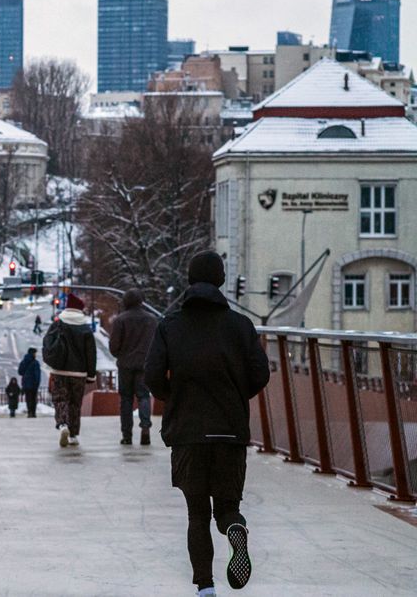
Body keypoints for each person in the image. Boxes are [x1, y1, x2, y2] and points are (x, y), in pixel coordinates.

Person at [145, 251, 269, 596]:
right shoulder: (240, 325)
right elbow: (261, 373)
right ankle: (233, 527)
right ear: (221, 281)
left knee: (196, 513)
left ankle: (205, 587)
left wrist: (173, 396)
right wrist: (234, 394)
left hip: (187, 432)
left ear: (188, 280)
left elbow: (152, 373)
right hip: (229, 431)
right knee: (227, 506)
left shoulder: (170, 324)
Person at [42, 293, 96, 447]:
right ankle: (73, 435)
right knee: (75, 403)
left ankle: (62, 424)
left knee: (60, 399)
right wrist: (91, 375)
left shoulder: (58, 324)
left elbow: (47, 342)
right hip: (79, 373)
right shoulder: (85, 329)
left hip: (59, 370)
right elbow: (91, 353)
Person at [109, 289, 159, 445]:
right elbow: (157, 343)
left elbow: (114, 346)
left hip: (125, 365)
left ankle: (127, 435)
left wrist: (121, 354)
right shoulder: (151, 320)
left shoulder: (120, 320)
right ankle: (145, 428)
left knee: (126, 399)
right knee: (144, 396)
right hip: (145, 364)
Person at [17, 347, 42, 418]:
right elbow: (37, 374)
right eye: (35, 353)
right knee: (34, 399)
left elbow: (20, 372)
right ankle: (33, 413)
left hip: (25, 384)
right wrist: (37, 383)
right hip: (33, 384)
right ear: (33, 353)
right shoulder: (35, 363)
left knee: (28, 398)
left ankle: (29, 412)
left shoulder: (23, 362)